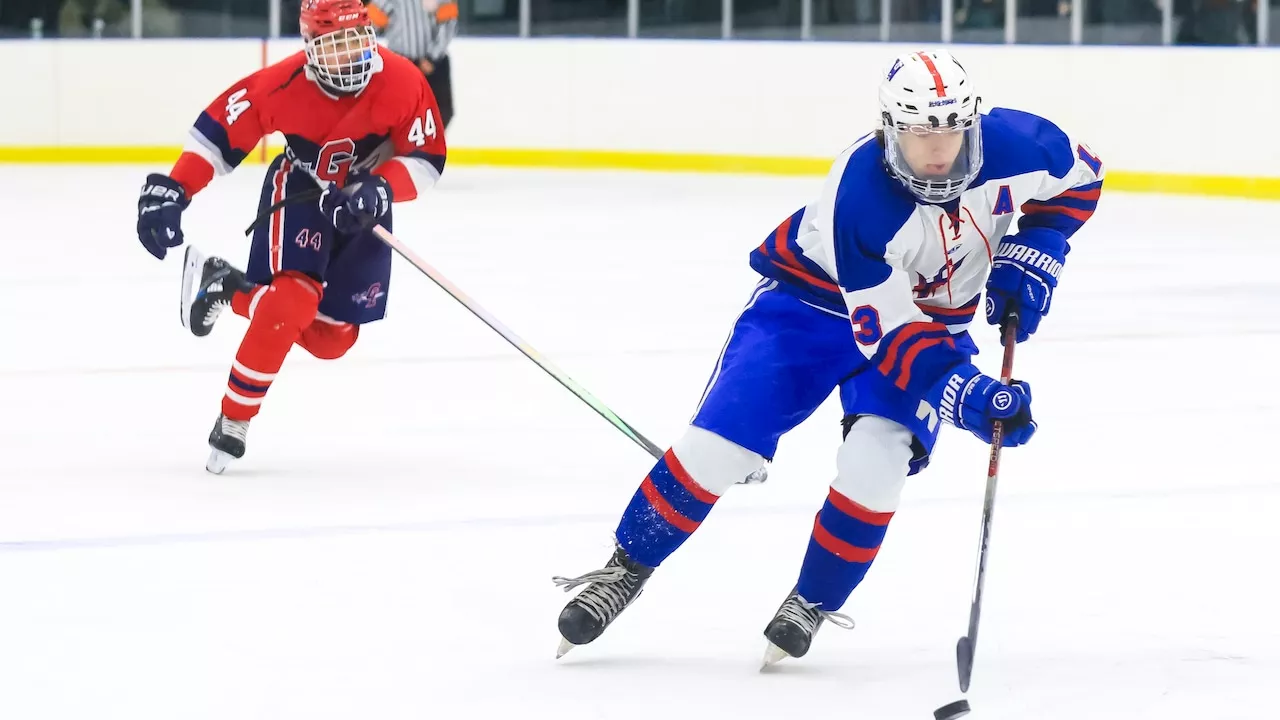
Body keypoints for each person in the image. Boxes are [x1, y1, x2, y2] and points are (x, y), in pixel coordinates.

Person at [552, 49, 1104, 666]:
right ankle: (625, 568)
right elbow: (888, 336)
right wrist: (966, 393)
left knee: (879, 461)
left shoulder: (1025, 144)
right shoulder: (860, 193)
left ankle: (811, 600)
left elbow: (1082, 182)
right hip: (807, 311)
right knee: (717, 448)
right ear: (890, 128)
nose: (939, 149)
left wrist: (1038, 246)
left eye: (951, 129)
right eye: (921, 131)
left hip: (932, 323)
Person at [134, 0, 448, 474]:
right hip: (302, 190)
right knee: (292, 301)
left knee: (331, 341)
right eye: (334, 46)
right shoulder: (281, 84)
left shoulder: (403, 80)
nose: (348, 57)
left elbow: (427, 158)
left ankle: (227, 285)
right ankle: (233, 421)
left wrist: (380, 187)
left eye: (355, 42)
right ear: (309, 47)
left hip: (363, 208)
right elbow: (217, 135)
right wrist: (177, 186)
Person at [368, 0, 458, 129]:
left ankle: (431, 147)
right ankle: (406, 147)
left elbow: (448, 23)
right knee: (399, 115)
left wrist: (432, 57)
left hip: (434, 65)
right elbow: (369, 26)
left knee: (441, 113)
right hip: (401, 66)